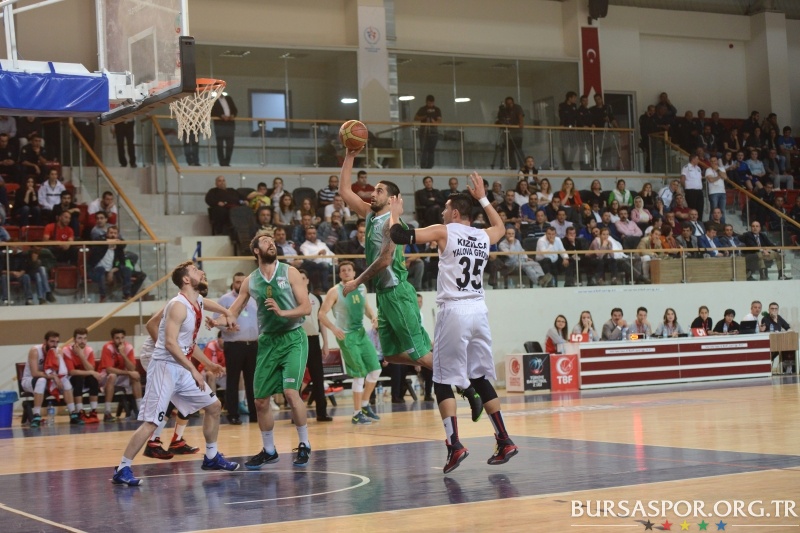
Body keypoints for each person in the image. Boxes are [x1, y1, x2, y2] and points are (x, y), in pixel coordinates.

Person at [386, 173, 516, 473]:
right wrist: (483, 198)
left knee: (441, 379)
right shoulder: (483, 235)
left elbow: (399, 236)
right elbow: (500, 227)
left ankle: (454, 445)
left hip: (454, 310)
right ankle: (504, 439)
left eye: (446, 208)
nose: (442, 212)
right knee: (479, 376)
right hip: (479, 310)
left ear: (455, 213)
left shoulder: (444, 231)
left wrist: (394, 214)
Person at [111, 262, 240, 486]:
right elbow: (171, 344)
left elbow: (194, 331)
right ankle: (122, 468)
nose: (201, 271)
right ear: (186, 280)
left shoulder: (196, 302)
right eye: (196, 270)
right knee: (152, 422)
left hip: (180, 368)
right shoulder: (178, 306)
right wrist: (194, 370)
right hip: (164, 367)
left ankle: (211, 457)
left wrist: (209, 362)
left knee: (214, 406)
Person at [227, 232, 313, 469]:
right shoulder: (250, 281)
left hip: (293, 337)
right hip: (267, 342)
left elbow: (306, 308)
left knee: (291, 392)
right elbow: (234, 310)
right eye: (266, 242)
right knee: (260, 401)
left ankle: (304, 444)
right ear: (256, 250)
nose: (271, 244)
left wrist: (283, 312)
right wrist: (221, 321)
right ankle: (269, 450)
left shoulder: (289, 272)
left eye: (273, 242)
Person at [318, 261, 382, 425]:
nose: (346, 272)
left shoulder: (361, 288)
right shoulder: (334, 291)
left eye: (349, 270)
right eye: (343, 270)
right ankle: (356, 413)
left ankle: (365, 405)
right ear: (339, 274)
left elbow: (366, 307)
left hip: (361, 333)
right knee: (359, 374)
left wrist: (373, 317)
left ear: (354, 273)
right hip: (346, 336)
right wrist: (333, 328)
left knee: (375, 369)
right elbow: (321, 314)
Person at [215, 272, 258, 425]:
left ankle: (255, 414)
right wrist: (227, 328)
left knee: (253, 381)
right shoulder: (225, 299)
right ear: (233, 283)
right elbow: (216, 320)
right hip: (234, 345)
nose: (240, 284)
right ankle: (233, 414)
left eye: (243, 281)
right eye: (237, 281)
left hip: (253, 344)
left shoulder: (254, 299)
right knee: (232, 380)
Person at [22, 331, 84, 427]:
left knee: (65, 382)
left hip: (49, 380)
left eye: (57, 342)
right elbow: (35, 373)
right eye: (52, 341)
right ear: (45, 341)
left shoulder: (58, 351)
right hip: (30, 380)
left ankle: (73, 414)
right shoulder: (35, 351)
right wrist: (53, 376)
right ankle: (36, 415)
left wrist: (57, 359)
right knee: (41, 380)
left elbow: (60, 372)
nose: (54, 345)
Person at [62, 328, 103, 423]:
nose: (82, 341)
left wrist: (81, 355)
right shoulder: (66, 350)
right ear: (74, 340)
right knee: (78, 379)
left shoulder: (88, 350)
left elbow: (91, 369)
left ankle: (93, 411)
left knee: (93, 379)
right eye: (80, 338)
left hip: (85, 377)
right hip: (70, 379)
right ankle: (80, 411)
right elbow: (72, 372)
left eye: (85, 338)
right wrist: (91, 372)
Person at [414, 95, 442, 169]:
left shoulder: (437, 110)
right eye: (429, 103)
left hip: (433, 132)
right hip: (423, 131)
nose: (430, 105)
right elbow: (416, 118)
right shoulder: (422, 109)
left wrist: (433, 121)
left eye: (432, 103)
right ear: (426, 102)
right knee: (423, 149)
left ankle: (430, 165)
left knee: (431, 149)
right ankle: (423, 165)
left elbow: (439, 121)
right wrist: (425, 116)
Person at [497, 96, 525, 169]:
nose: (510, 105)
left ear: (513, 102)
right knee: (510, 151)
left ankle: (523, 167)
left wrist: (521, 124)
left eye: (511, 103)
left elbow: (520, 116)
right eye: (508, 104)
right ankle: (513, 167)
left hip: (517, 133)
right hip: (508, 134)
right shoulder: (504, 110)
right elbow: (500, 119)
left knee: (518, 149)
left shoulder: (517, 107)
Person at [211, 92, 237, 166]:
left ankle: (227, 162)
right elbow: (212, 112)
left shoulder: (228, 98)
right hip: (220, 125)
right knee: (220, 145)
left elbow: (235, 110)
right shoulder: (213, 100)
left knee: (230, 144)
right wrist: (221, 116)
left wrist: (232, 115)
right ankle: (222, 162)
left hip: (230, 124)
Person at [681, 154, 704, 220]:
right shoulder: (686, 167)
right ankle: (691, 222)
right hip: (690, 191)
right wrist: (685, 189)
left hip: (699, 191)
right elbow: (682, 179)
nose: (698, 160)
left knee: (700, 208)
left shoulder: (698, 168)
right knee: (692, 208)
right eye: (697, 159)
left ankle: (699, 222)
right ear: (693, 159)